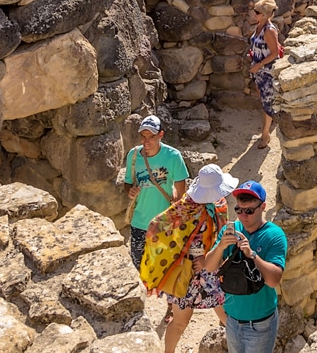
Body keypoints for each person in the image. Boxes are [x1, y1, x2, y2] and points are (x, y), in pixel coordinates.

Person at [141, 164, 237, 353]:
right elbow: (156, 227)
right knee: (180, 322)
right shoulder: (186, 208)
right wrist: (177, 255)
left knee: (229, 318)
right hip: (189, 274)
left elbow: (220, 232)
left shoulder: (218, 204)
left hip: (213, 269)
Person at [203, 181, 288, 353]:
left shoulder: (274, 236)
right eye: (239, 210)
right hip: (232, 320)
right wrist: (220, 247)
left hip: (260, 324)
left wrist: (252, 255)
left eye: (249, 210)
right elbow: (209, 267)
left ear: (263, 207)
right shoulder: (232, 230)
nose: (243, 216)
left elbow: (273, 281)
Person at [123, 115, 188, 272]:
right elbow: (127, 183)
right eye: (143, 136)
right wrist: (129, 191)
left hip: (164, 222)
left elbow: (181, 193)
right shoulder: (133, 155)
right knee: (139, 267)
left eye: (151, 137)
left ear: (161, 135)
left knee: (162, 268)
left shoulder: (173, 156)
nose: (146, 142)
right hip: (139, 221)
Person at [247, 0, 282, 150]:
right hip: (258, 70)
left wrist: (259, 65)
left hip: (267, 71)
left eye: (257, 12)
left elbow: (274, 53)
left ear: (265, 15)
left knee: (267, 103)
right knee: (263, 99)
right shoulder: (260, 25)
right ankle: (268, 126)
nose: (254, 14)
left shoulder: (269, 30)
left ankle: (265, 135)